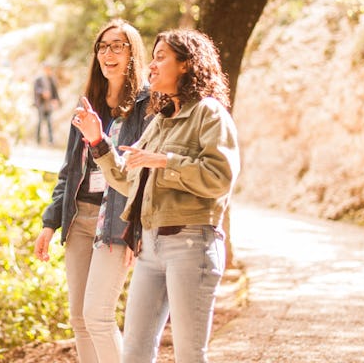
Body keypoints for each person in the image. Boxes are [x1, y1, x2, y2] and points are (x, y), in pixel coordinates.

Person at [72, 28, 240, 363]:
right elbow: (126, 177)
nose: (152, 65)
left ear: (186, 65)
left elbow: (220, 177)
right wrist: (97, 141)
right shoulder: (162, 120)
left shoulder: (209, 113)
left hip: (192, 244)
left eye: (161, 57)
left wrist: (165, 161)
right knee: (134, 352)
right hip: (150, 249)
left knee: (189, 354)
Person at [33, 19, 150, 363]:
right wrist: (50, 222)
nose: (108, 53)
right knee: (80, 320)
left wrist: (137, 229)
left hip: (116, 221)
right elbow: (69, 170)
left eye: (117, 46)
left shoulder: (146, 107)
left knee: (98, 316)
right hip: (79, 218)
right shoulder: (89, 104)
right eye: (102, 46)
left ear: (133, 53)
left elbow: (143, 177)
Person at [33, 62, 61, 145]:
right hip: (41, 104)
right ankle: (38, 140)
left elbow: (55, 91)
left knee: (49, 122)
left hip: (49, 105)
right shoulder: (38, 79)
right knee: (40, 122)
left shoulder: (51, 79)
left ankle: (51, 140)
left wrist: (56, 100)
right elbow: (36, 90)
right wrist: (42, 93)